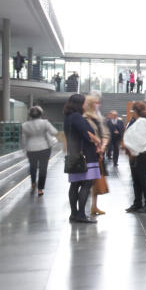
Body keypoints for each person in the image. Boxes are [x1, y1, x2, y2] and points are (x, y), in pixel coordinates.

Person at [63, 93, 102, 224]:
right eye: (84, 103)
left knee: (74, 184)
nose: (86, 105)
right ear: (79, 104)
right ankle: (81, 214)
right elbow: (87, 134)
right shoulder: (77, 117)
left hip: (73, 155)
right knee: (87, 183)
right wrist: (96, 140)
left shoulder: (68, 117)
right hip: (85, 155)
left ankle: (74, 214)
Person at [122, 100, 146, 212]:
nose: (132, 112)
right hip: (139, 152)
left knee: (141, 178)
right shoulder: (142, 121)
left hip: (141, 153)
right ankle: (138, 203)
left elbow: (140, 140)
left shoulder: (142, 121)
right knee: (137, 179)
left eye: (133, 110)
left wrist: (133, 152)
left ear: (136, 110)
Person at [21, 106, 57, 196]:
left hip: (31, 148)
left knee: (32, 166)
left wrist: (24, 148)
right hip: (44, 147)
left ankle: (33, 182)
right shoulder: (45, 123)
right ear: (41, 114)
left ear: (30, 115)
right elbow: (54, 132)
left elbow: (24, 138)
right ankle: (40, 189)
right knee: (43, 168)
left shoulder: (25, 125)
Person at [83, 94, 109, 215]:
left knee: (96, 180)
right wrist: (98, 144)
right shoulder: (85, 118)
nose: (97, 105)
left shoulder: (98, 118)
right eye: (95, 102)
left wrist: (102, 147)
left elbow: (104, 134)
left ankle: (94, 206)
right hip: (89, 152)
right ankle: (85, 207)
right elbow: (87, 135)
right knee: (87, 181)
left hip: (98, 152)